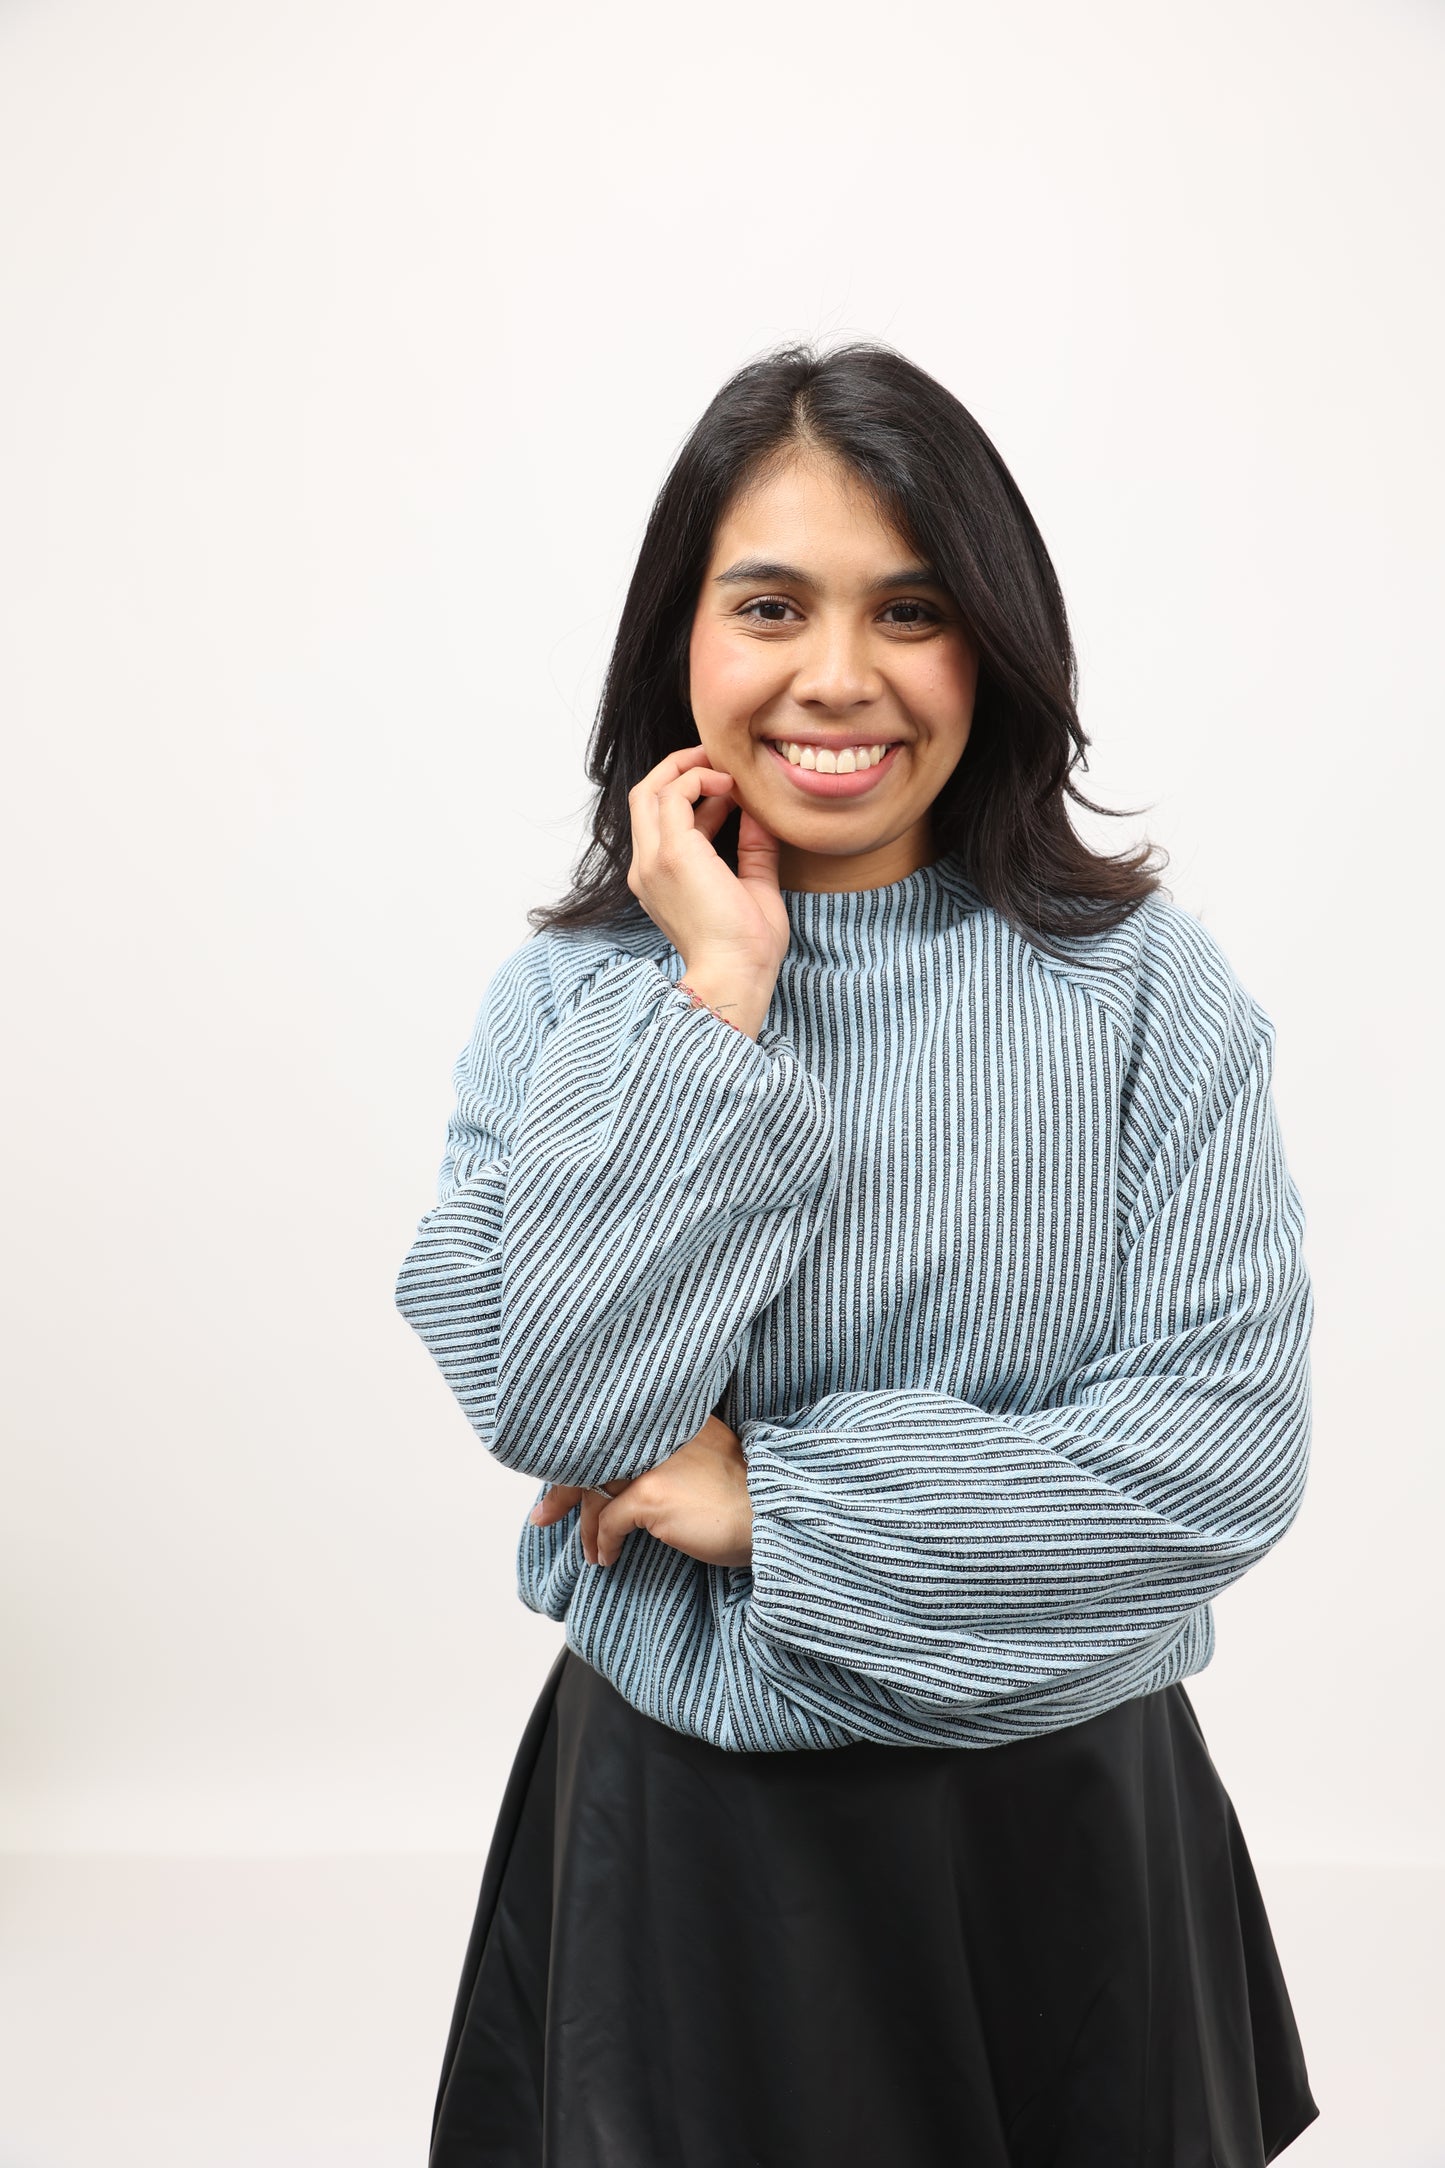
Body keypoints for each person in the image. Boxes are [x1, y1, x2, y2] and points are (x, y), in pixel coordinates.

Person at [393, 340, 1322, 2166]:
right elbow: (557, 1395)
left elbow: (1217, 1460)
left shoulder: (1144, 995)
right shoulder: (576, 1000)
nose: (838, 677)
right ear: (683, 639)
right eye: (769, 605)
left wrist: (775, 1510)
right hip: (687, 1833)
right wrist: (718, 995)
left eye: (910, 608)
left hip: (1064, 1821)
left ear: (993, 641)